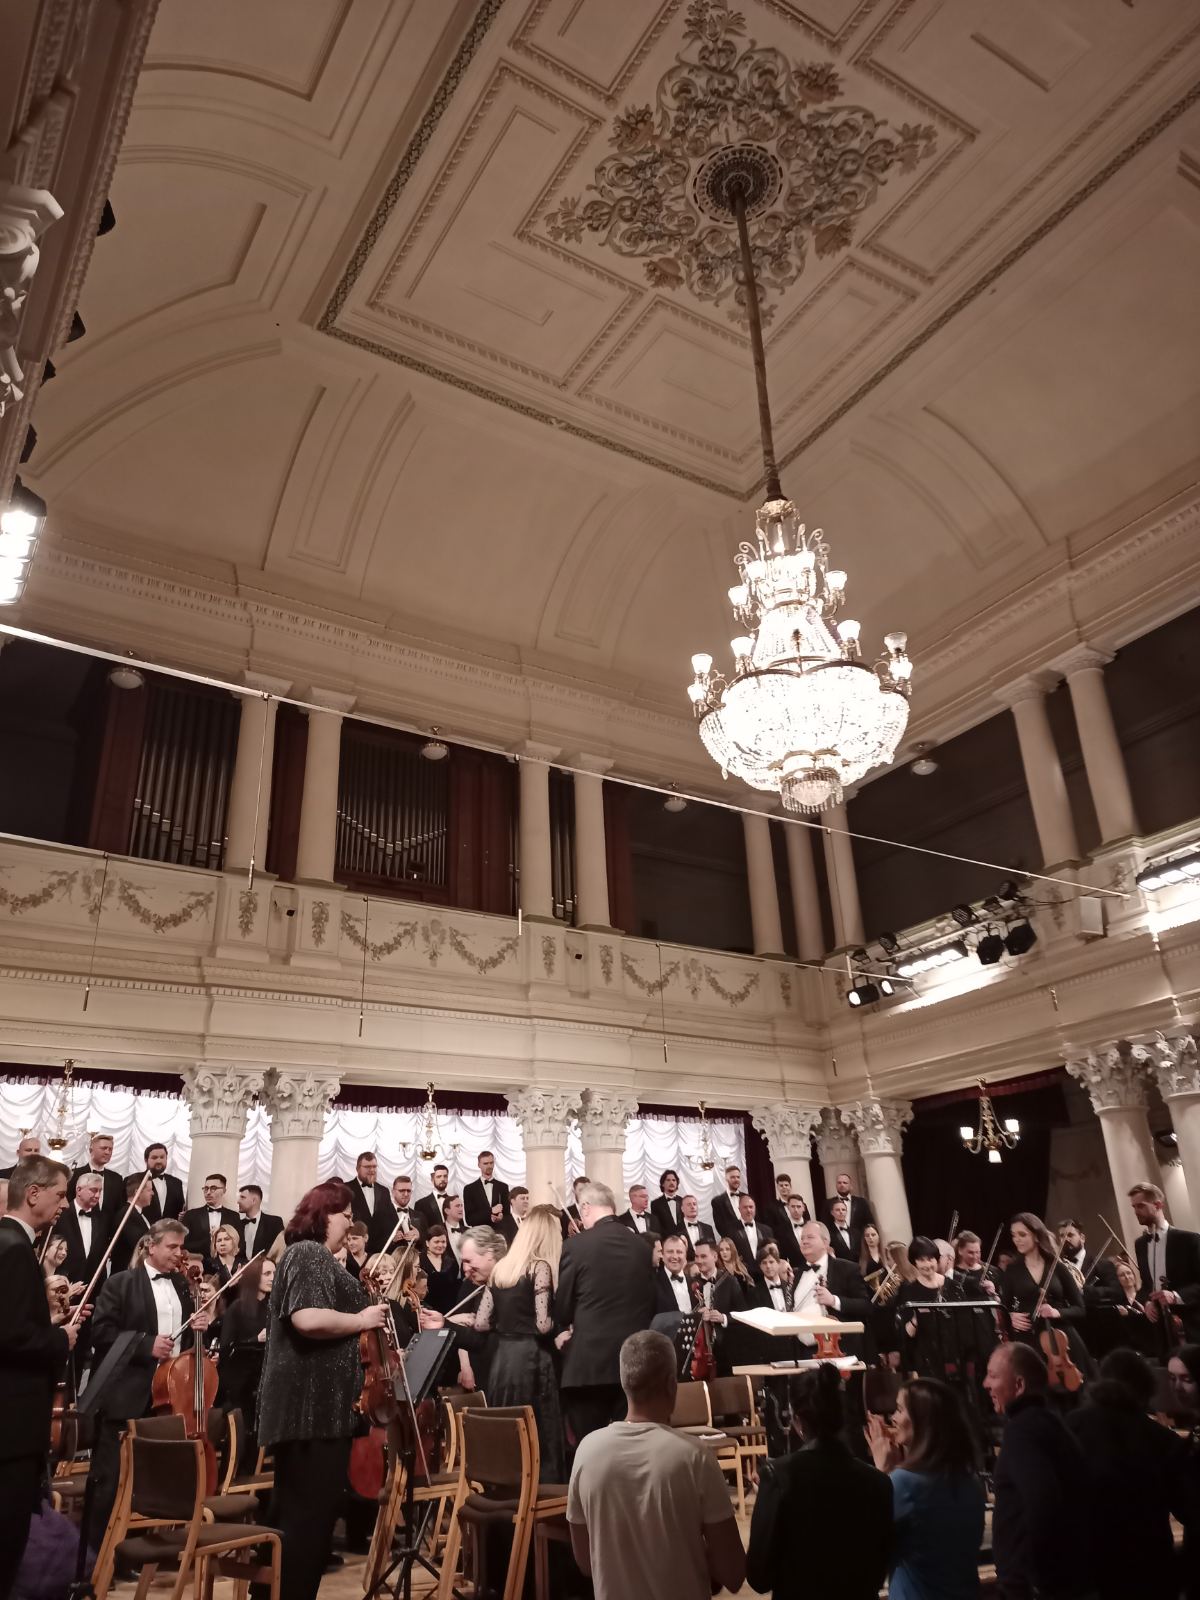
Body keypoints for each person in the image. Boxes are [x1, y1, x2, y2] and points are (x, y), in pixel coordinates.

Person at [256, 1179, 387, 1600]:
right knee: (308, 1522)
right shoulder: (309, 1252)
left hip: (315, 1409)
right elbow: (308, 1318)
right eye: (345, 1216)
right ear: (323, 1214)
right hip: (312, 1409)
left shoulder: (309, 1255)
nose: (350, 1224)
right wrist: (363, 1319)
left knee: (296, 1518)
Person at [568, 1330, 744, 1600]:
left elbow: (585, 1562)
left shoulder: (586, 1451)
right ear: (672, 1385)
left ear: (625, 1383)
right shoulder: (695, 1457)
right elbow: (733, 1573)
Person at [88, 1218, 214, 1536]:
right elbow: (101, 1333)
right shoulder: (120, 1283)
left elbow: (185, 1340)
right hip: (127, 1396)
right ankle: (96, 1554)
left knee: (151, 1485)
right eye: (172, 1246)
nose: (179, 1253)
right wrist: (146, 1344)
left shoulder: (183, 1286)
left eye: (181, 1247)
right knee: (111, 1482)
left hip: (169, 1398)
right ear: (150, 1246)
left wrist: (199, 1327)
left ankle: (138, 1549)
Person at [0, 1156, 79, 1600]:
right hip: (11, 1427)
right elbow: (10, 1336)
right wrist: (59, 1338)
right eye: (60, 1194)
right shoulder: (14, 1248)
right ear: (33, 1193)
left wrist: (46, 1323)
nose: (64, 1204)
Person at [747, 1363, 891, 1599]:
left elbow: (759, 1577)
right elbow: (878, 1571)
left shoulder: (778, 1476)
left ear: (797, 1420)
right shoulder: (879, 1482)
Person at [1066, 1348, 1187, 1599]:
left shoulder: (1072, 1427)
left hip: (1092, 1568)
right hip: (1151, 1569)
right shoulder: (1163, 1439)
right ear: (1146, 1388)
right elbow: (1187, 1508)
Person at [984, 1342, 1094, 1600]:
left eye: (993, 1376)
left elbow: (1043, 1501)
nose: (985, 1384)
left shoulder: (1023, 1430)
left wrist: (1033, 1580)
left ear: (1019, 1385)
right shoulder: (1050, 1423)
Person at [556, 1180, 657, 1451]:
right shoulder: (641, 1247)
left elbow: (563, 1307)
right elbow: (651, 1302)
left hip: (588, 1365)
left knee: (591, 1449)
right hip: (632, 1363)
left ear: (586, 1207)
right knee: (631, 1448)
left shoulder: (575, 1246)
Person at [865, 1377, 985, 1600]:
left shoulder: (903, 1483)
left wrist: (881, 1472)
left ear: (923, 1421)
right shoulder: (970, 1482)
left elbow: (866, 1549)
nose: (893, 1418)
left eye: (900, 1410)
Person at [468, 1203, 564, 1480]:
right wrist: (562, 1326)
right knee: (538, 1429)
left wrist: (506, 1323)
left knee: (507, 1425)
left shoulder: (502, 1268)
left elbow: (481, 1323)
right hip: (532, 1359)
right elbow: (543, 1324)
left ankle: (505, 1487)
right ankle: (540, 1493)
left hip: (503, 1359)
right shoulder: (540, 1267)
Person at [999, 1211, 1092, 1375]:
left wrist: (1057, 1312)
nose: (1016, 1239)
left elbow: (1080, 1308)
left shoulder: (1057, 1266)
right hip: (1030, 1339)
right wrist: (1010, 1317)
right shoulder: (1012, 1270)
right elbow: (1003, 1309)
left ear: (1036, 1236)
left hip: (1062, 1338)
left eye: (1022, 1234)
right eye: (1014, 1235)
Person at [218, 1254, 276, 1467]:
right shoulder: (237, 1308)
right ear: (254, 1277)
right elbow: (226, 1350)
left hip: (268, 1383)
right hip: (242, 1386)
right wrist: (256, 1340)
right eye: (267, 1273)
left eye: (274, 1273)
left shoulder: (275, 1307)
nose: (272, 1277)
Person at [1130, 1180, 1200, 1342]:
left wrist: (1176, 1296)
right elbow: (1147, 1285)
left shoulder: (1189, 1240)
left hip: (1190, 1325)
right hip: (1160, 1328)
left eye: (1141, 1206)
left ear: (1158, 1205)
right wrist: (1146, 1302)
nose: (1136, 1211)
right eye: (1133, 1207)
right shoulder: (1140, 1244)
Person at [894, 1236, 964, 1375]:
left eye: (930, 1259)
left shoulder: (954, 1286)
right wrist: (916, 1317)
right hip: (925, 1358)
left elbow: (964, 1324)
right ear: (914, 1262)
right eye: (921, 1260)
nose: (927, 1264)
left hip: (954, 1355)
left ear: (936, 1259)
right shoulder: (908, 1289)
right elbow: (906, 1333)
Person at [53, 1170, 110, 1287]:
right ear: (78, 1190)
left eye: (100, 1191)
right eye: (93, 1190)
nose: (98, 1195)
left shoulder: (103, 1219)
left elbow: (101, 1256)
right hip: (64, 1284)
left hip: (93, 1287)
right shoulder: (60, 1215)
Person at [181, 1172, 241, 1268]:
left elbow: (239, 1245)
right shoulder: (191, 1215)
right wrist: (210, 1241)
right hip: (198, 1267)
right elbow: (183, 1244)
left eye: (213, 1188)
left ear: (224, 1190)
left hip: (226, 1267)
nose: (208, 1192)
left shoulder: (234, 1216)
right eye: (206, 1188)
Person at [345, 1152, 398, 1253]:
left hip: (380, 1251)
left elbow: (391, 1220)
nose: (372, 1170)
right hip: (353, 1250)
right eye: (367, 1167)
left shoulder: (384, 1191)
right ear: (357, 1168)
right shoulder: (346, 1189)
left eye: (374, 1166)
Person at [68, 1131, 124, 1225]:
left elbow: (118, 1208)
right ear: (91, 1150)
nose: (107, 1152)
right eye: (103, 1148)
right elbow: (69, 1201)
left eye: (110, 1149)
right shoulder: (75, 1174)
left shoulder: (116, 1178)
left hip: (108, 1230)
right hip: (78, 1225)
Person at [651, 1232, 694, 1336]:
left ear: (685, 1255)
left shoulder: (695, 1283)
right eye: (670, 1252)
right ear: (662, 1255)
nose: (675, 1256)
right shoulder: (652, 1284)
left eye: (679, 1252)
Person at [109, 1172, 153, 1273]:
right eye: (149, 1190)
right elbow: (141, 1246)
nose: (152, 1193)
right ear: (138, 1192)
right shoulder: (127, 1215)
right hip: (127, 1274)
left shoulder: (136, 1214)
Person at [419, 1221, 461, 1314]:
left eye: (443, 1242)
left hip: (450, 1311)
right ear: (427, 1243)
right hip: (427, 1310)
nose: (440, 1245)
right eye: (436, 1242)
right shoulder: (419, 1262)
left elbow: (454, 1289)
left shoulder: (452, 1263)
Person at [728, 1193, 774, 1276]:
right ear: (739, 1209)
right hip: (742, 1275)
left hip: (764, 1274)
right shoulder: (730, 1230)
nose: (749, 1210)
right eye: (745, 1207)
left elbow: (772, 1253)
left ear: (755, 1208)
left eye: (751, 1207)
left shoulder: (767, 1230)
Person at [463, 1150, 511, 1227]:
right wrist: (491, 1211)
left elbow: (507, 1215)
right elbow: (469, 1220)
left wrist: (501, 1218)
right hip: (479, 1232)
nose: (489, 1166)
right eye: (485, 1163)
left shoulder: (503, 1187)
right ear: (479, 1165)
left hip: (499, 1231)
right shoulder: (469, 1189)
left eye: (491, 1163)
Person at [238, 1183, 283, 1259]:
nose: (238, 1201)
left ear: (254, 1200)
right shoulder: (236, 1223)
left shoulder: (274, 1223)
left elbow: (280, 1251)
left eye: (243, 1197)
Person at [142, 1141, 185, 1221]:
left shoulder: (177, 1183)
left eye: (162, 1157)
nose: (159, 1161)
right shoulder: (134, 1180)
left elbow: (180, 1210)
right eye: (154, 1158)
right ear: (146, 1160)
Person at [413, 1162, 451, 1233]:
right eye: (439, 1176)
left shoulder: (455, 1201)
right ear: (432, 1180)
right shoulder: (421, 1204)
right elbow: (420, 1231)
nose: (443, 1179)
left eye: (445, 1176)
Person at [776, 1192, 810, 1272]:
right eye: (793, 1206)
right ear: (788, 1207)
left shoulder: (812, 1226)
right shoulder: (781, 1230)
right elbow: (782, 1256)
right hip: (795, 1271)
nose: (796, 1210)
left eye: (798, 1206)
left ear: (804, 1208)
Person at [710, 1164, 744, 1236]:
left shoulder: (747, 1198)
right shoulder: (717, 1201)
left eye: (738, 1177)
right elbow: (719, 1226)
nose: (736, 1180)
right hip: (730, 1240)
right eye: (733, 1177)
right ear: (726, 1179)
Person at [678, 1192, 715, 1258]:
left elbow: (713, 1250)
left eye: (694, 1204)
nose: (692, 1207)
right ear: (682, 1209)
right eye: (689, 1205)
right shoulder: (675, 1230)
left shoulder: (708, 1228)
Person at [650, 1168, 685, 1237]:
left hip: (683, 1240)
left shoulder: (683, 1201)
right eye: (668, 1180)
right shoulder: (655, 1204)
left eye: (674, 1180)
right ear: (663, 1184)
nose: (671, 1182)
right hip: (666, 1240)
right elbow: (656, 1227)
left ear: (677, 1183)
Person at [389, 1175, 420, 1244]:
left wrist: (418, 1237)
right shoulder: (381, 1215)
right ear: (393, 1192)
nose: (406, 1194)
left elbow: (428, 1243)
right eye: (401, 1191)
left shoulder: (420, 1216)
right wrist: (392, 1240)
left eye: (408, 1191)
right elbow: (374, 1245)